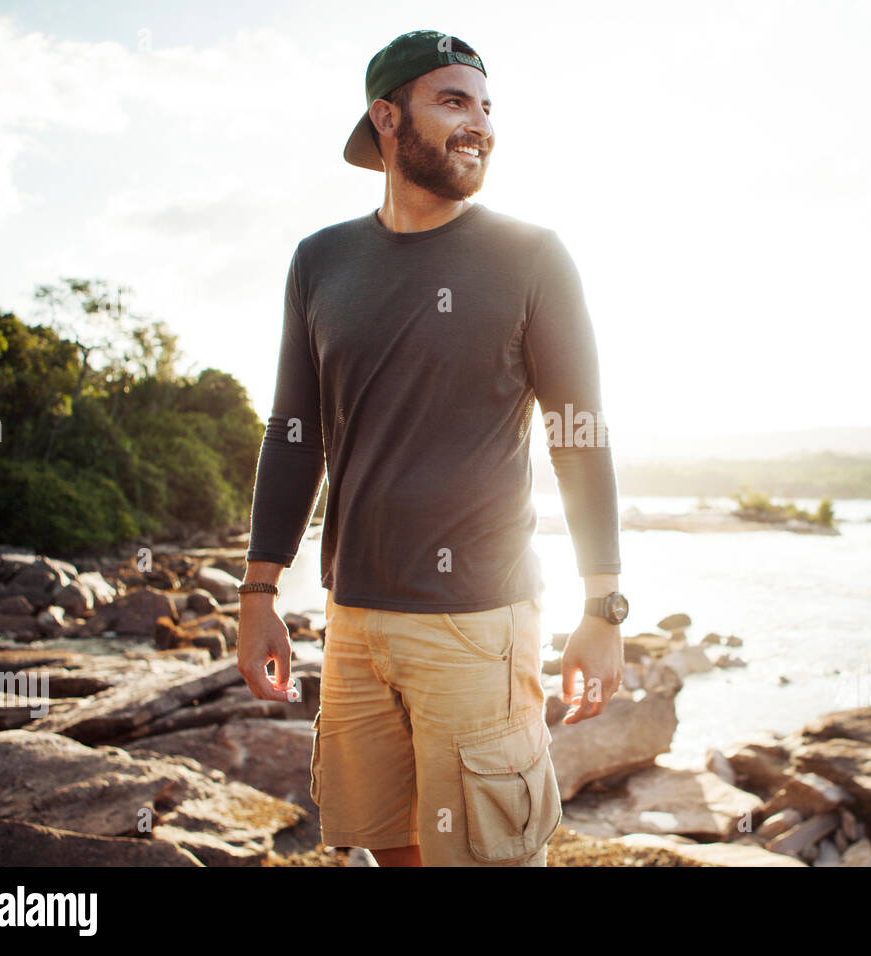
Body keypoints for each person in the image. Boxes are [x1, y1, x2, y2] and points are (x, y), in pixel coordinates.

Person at [235, 29, 628, 867]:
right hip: (354, 617)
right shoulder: (320, 261)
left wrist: (603, 607)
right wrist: (259, 589)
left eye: (486, 107)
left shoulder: (529, 256)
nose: (478, 123)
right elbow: (293, 434)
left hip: (480, 627)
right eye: (453, 101)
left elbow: (579, 435)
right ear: (387, 116)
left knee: (488, 856)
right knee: (389, 847)